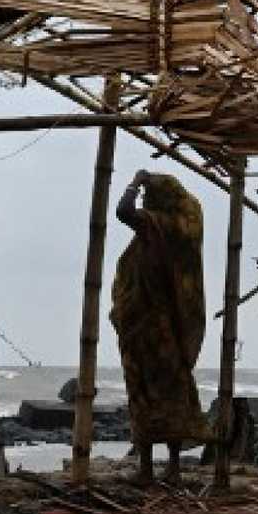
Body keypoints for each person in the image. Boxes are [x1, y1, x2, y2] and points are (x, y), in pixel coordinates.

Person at [110, 170, 211, 484]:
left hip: (147, 327)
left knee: (143, 393)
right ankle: (173, 468)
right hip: (169, 329)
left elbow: (123, 211)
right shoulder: (182, 231)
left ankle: (146, 469)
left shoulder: (160, 227)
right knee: (173, 393)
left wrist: (136, 181)